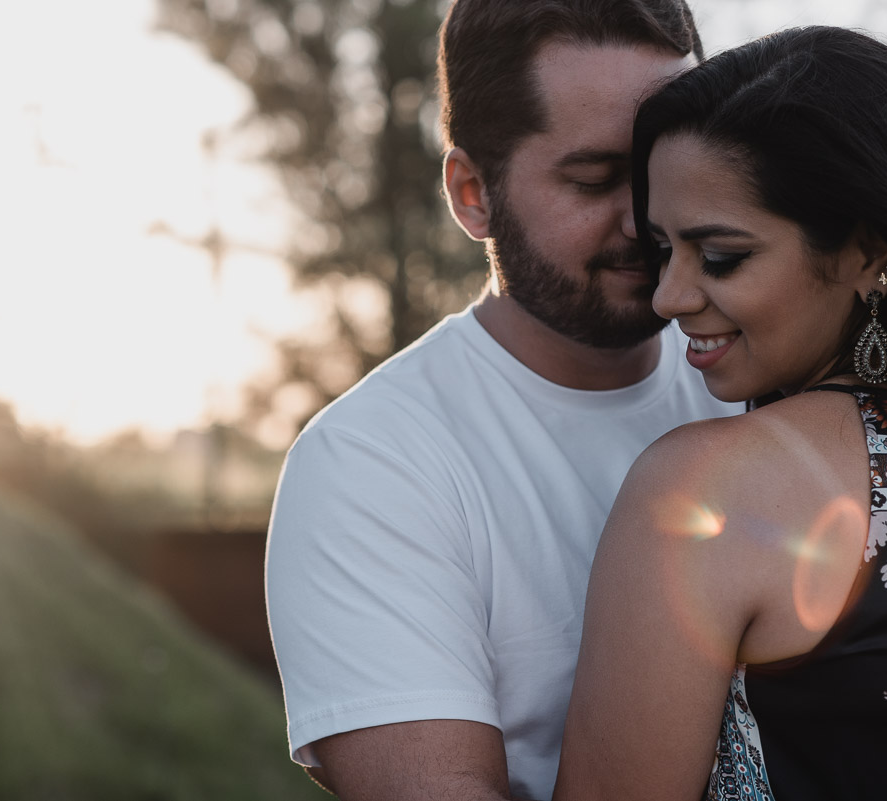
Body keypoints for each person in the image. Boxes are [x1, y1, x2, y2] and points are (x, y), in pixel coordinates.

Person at [265, 2, 738, 799]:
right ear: (472, 191)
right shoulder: (373, 466)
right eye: (593, 178)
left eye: (667, 167)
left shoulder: (780, 375)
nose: (647, 218)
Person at [553, 25, 887, 801]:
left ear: (867, 251)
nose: (668, 297)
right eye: (663, 249)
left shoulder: (709, 486)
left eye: (721, 256)